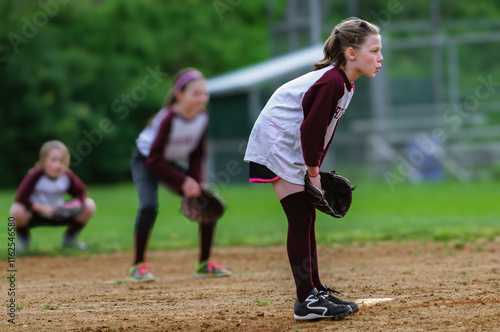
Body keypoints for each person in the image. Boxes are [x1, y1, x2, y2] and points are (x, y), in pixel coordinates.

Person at [244, 17, 383, 321]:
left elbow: (321, 131)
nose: (380, 58)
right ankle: (306, 301)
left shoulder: (344, 85)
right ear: (350, 53)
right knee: (301, 215)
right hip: (276, 143)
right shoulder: (332, 81)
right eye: (373, 50)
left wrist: (314, 168)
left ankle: (314, 290)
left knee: (306, 217)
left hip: (289, 144)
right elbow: (311, 131)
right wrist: (314, 173)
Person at [129, 67, 231, 282]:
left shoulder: (202, 118)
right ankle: (138, 265)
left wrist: (194, 183)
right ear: (179, 95)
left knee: (205, 200)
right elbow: (154, 159)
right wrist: (183, 181)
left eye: (204, 92)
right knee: (148, 206)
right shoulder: (168, 118)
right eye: (196, 93)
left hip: (168, 162)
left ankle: (204, 263)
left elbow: (197, 154)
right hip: (145, 161)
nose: (202, 97)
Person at [10, 140, 96, 251]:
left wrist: (71, 204)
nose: (58, 164)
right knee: (16, 209)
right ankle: (23, 241)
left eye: (61, 160)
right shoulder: (36, 175)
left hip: (58, 212)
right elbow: (20, 197)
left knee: (89, 205)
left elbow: (81, 192)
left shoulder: (66, 176)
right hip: (36, 214)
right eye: (53, 160)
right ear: (44, 160)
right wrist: (39, 207)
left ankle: (70, 239)